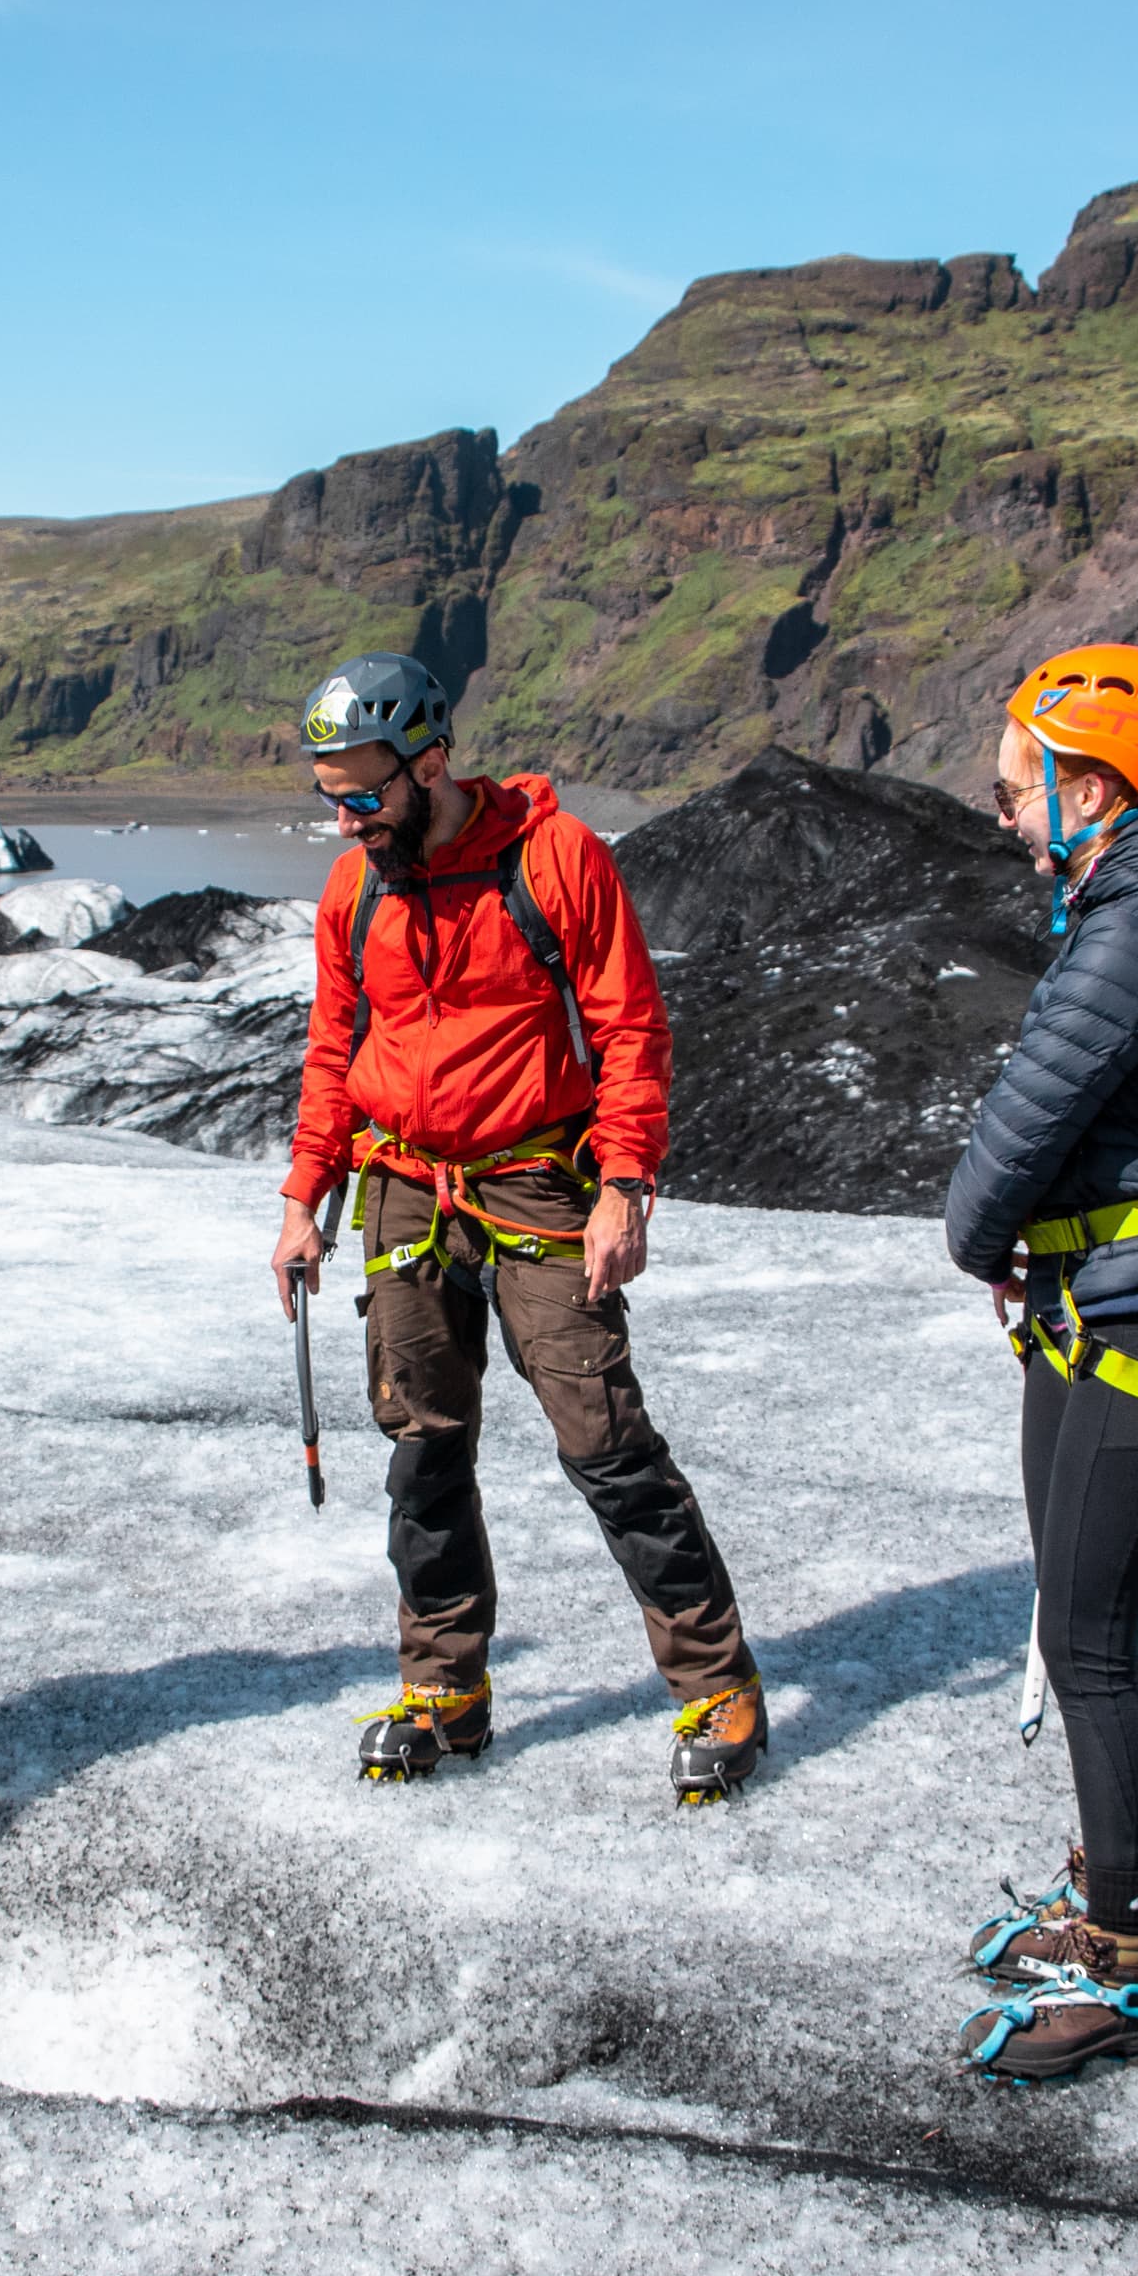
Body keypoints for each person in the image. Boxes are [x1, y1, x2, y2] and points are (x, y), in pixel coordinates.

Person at [266, 651, 767, 1804]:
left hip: (539, 1180)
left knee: (603, 1438)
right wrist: (303, 1201)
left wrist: (626, 1184)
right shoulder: (357, 889)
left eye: (361, 789)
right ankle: (446, 1686)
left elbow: (630, 1029)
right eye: (326, 790)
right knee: (424, 1446)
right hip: (400, 1187)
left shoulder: (555, 858)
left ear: (429, 763)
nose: (344, 814)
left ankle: (718, 1682)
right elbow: (335, 1053)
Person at [940, 643, 1138, 2079]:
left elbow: (1021, 1125)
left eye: (1015, 789)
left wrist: (984, 1233)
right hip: (1107, 1310)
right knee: (1085, 1629)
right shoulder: (1129, 908)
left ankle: (1125, 1960)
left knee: (1089, 1638)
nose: (1000, 814)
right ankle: (1102, 1896)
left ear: (1088, 787)